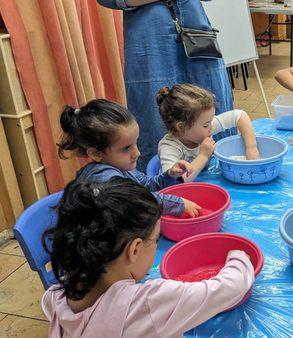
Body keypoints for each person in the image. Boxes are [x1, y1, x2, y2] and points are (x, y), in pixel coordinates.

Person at [41, 177, 255, 337]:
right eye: (155, 239)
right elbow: (231, 287)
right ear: (134, 249)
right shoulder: (147, 303)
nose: (155, 246)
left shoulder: (58, 294)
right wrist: (239, 256)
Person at [97, 0, 234, 170]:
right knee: (157, 117)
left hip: (196, 33)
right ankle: (164, 187)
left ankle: (228, 173)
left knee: (210, 108)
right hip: (150, 40)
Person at [57, 99, 201, 217]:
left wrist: (170, 175)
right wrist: (176, 204)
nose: (137, 153)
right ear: (96, 154)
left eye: (135, 143)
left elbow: (147, 186)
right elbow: (136, 200)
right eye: (126, 148)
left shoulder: (123, 167)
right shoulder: (102, 178)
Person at [157, 84, 259, 181]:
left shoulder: (202, 127)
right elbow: (173, 181)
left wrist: (252, 148)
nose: (211, 127)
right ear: (181, 127)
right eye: (206, 125)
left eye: (211, 121)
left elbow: (240, 115)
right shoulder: (169, 147)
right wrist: (203, 156)